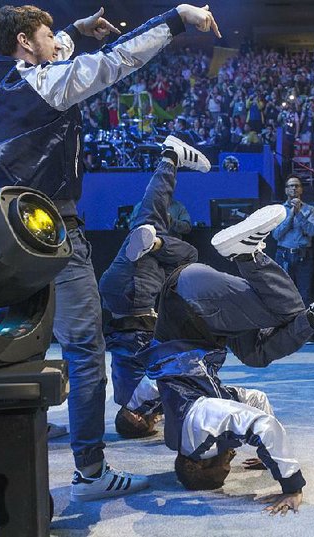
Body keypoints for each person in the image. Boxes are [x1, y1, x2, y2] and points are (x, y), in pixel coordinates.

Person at [0, 3, 221, 501]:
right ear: (24, 41)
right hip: (51, 230)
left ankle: (22, 431)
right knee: (85, 352)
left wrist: (74, 31)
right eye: (45, 35)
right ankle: (89, 472)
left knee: (14, 345)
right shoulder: (48, 83)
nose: (53, 42)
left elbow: (48, 54)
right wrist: (175, 17)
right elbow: (119, 59)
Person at [139, 205, 314, 513]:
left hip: (190, 302)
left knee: (285, 308)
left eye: (223, 469)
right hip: (201, 315)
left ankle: (247, 254)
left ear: (198, 465)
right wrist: (265, 456)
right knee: (255, 354)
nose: (231, 460)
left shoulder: (197, 428)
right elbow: (256, 402)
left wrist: (291, 485)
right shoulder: (188, 405)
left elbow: (263, 427)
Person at [99, 136, 209, 439]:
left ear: (137, 417)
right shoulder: (123, 396)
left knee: (180, 248)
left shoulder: (141, 397)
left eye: (152, 421)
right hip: (114, 294)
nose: (156, 419)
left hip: (135, 299)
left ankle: (169, 158)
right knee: (161, 235)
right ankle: (155, 238)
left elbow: (177, 387)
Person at [272, 176, 314, 306]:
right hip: (283, 255)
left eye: (297, 185)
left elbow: (312, 231)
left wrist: (299, 213)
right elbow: (276, 235)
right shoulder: (279, 210)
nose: (294, 188)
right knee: (283, 293)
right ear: (286, 190)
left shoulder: (309, 210)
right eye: (291, 186)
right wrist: (291, 213)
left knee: (304, 294)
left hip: (304, 255)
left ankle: (303, 325)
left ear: (301, 190)